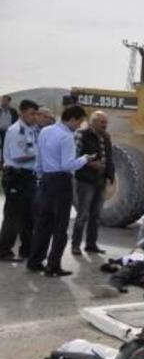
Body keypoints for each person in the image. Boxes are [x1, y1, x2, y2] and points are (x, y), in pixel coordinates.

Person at [28, 105, 97, 277]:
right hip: (61, 181)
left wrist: (40, 176)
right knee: (60, 226)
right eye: (79, 121)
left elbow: (39, 157)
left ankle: (35, 261)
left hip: (46, 180)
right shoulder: (67, 136)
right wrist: (84, 159)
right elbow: (67, 165)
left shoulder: (45, 131)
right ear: (72, 119)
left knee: (43, 224)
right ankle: (53, 265)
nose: (79, 125)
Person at [0, 100, 40, 261]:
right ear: (22, 112)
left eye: (36, 113)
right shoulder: (16, 130)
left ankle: (26, 249)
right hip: (17, 176)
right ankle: (4, 250)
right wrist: (39, 155)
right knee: (13, 216)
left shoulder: (30, 130)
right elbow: (19, 156)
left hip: (28, 177)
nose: (35, 117)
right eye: (32, 113)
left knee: (29, 216)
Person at [71, 111, 114, 255]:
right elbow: (74, 156)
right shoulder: (81, 134)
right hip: (85, 180)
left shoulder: (106, 136)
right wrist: (91, 164)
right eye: (102, 122)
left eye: (106, 122)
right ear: (93, 122)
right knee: (82, 214)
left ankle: (91, 244)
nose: (105, 125)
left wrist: (110, 175)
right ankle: (75, 245)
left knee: (96, 216)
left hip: (100, 180)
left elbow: (109, 157)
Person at [0, 95, 19, 166]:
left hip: (9, 132)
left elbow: (16, 122)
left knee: (7, 147)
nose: (2, 102)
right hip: (0, 131)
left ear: (8, 101)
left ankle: (6, 162)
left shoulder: (13, 111)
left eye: (4, 100)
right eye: (1, 100)